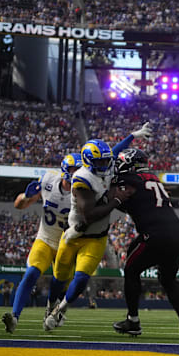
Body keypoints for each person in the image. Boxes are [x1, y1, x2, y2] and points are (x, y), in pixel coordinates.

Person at [44, 123, 152, 331]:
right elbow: (90, 215)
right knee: (59, 277)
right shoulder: (82, 179)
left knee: (82, 277)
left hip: (97, 237)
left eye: (105, 160)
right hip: (76, 232)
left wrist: (132, 135)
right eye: (99, 161)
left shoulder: (106, 163)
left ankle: (61, 310)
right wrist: (116, 201)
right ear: (88, 161)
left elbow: (114, 152)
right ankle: (49, 307)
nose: (105, 164)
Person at [110, 148, 179, 339]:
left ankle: (133, 320)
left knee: (132, 271)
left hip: (156, 235)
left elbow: (114, 196)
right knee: (168, 280)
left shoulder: (131, 179)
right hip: (177, 235)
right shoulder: (153, 178)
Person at [2, 153, 81, 334]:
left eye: (79, 169)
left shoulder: (84, 189)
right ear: (65, 170)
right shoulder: (48, 181)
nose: (77, 173)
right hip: (45, 239)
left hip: (66, 244)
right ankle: (14, 317)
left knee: (59, 284)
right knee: (31, 273)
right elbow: (19, 205)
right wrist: (24, 197)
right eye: (73, 169)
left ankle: (53, 313)